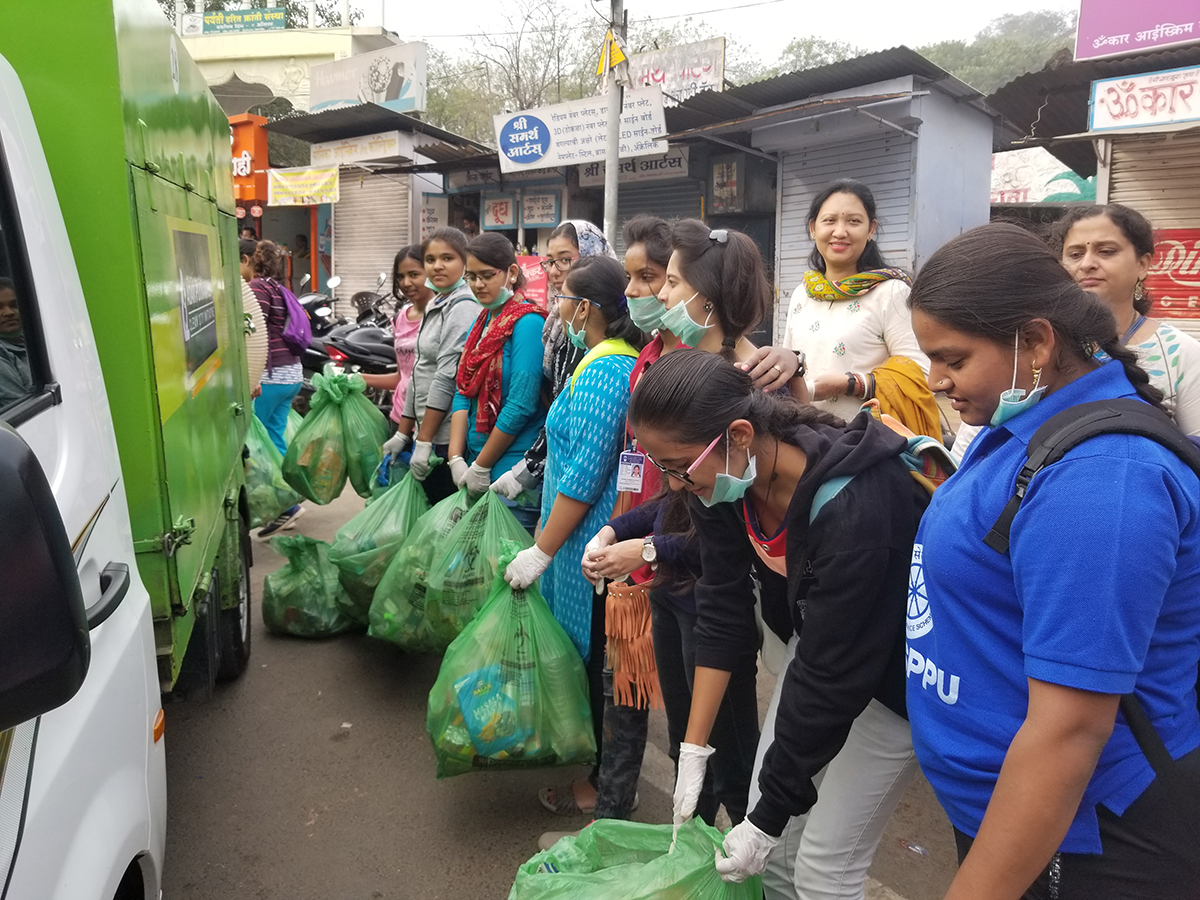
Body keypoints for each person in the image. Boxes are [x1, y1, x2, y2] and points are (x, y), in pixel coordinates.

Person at [906, 222, 1200, 899]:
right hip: (1016, 821)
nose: (936, 380)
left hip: (1085, 834)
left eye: (952, 358)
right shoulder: (1026, 422)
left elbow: (1069, 731)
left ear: (1036, 342)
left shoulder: (1102, 481)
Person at [628, 349, 930, 899]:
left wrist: (767, 815)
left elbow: (833, 677)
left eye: (679, 467)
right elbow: (722, 608)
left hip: (894, 682)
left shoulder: (854, 504)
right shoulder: (726, 480)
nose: (673, 486)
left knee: (822, 870)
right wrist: (693, 749)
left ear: (740, 434)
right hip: (818, 651)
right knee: (775, 859)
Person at [502, 255, 647, 796]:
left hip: (593, 548)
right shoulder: (596, 362)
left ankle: (603, 787)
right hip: (580, 543)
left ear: (584, 308)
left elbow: (583, 478)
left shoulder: (607, 372)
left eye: (561, 297)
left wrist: (540, 550)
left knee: (602, 668)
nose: (556, 308)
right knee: (591, 663)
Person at [782, 179, 937, 435]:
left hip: (865, 441)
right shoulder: (803, 293)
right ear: (813, 228)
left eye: (853, 221)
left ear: (870, 229)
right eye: (829, 221)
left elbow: (922, 373)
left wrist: (851, 384)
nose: (840, 232)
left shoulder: (891, 293)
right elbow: (790, 364)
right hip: (806, 436)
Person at [492, 220, 616, 499]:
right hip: (554, 467)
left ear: (592, 257)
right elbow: (557, 404)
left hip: (583, 478)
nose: (554, 271)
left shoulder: (606, 333)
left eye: (565, 260)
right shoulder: (559, 325)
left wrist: (529, 468)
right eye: (549, 261)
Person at [447, 234, 547, 530]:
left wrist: (482, 465)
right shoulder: (481, 324)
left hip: (511, 467)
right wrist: (456, 458)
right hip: (475, 459)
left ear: (511, 273)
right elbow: (463, 390)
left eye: (487, 275)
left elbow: (521, 404)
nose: (478, 284)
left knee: (501, 553)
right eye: (471, 277)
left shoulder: (528, 323)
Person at [382, 228, 481, 504]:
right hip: (427, 428)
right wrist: (404, 433)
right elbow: (418, 370)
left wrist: (424, 442)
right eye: (430, 259)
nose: (437, 266)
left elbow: (446, 376)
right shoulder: (437, 301)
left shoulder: (463, 306)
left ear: (465, 262)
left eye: (447, 258)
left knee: (444, 512)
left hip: (449, 434)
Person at [250, 240, 306, 536]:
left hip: (270, 377)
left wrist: (252, 376)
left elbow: (253, 331)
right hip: (291, 374)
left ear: (249, 261)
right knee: (273, 437)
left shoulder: (258, 288)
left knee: (256, 444)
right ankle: (291, 499)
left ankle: (281, 505)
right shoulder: (281, 288)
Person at [361, 245, 431, 429]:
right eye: (400, 276)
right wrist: (358, 379)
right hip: (399, 419)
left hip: (429, 424)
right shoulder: (400, 318)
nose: (406, 283)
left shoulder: (444, 315)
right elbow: (402, 378)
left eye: (414, 274)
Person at [238, 238, 268, 398]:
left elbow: (254, 336)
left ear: (245, 260)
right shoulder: (272, 284)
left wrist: (251, 380)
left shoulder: (253, 289)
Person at [0, 277, 32, 409]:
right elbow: (23, 409)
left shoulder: (34, 341)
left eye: (14, 305)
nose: (8, 313)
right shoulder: (2, 355)